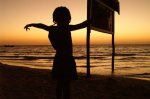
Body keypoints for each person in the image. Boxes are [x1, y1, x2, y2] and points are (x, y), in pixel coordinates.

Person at [24, 6, 89, 99]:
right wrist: (94, 19)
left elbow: (41, 25)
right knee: (66, 85)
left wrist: (30, 24)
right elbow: (82, 25)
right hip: (67, 60)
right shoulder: (67, 28)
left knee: (60, 84)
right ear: (68, 18)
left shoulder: (53, 29)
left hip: (59, 59)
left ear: (55, 18)